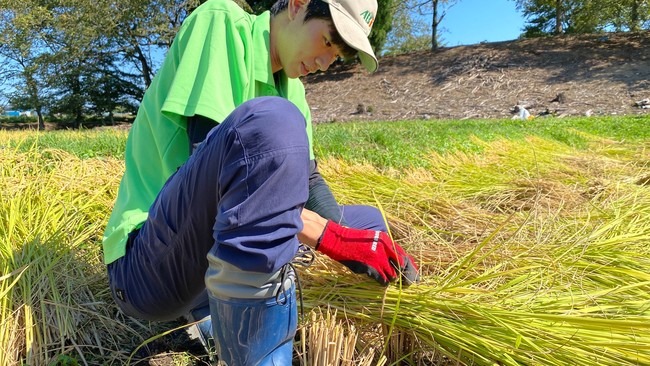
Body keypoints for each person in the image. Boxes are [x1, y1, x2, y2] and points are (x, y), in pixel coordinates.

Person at [103, 0, 419, 363]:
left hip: (202, 262)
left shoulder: (292, 88)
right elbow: (233, 183)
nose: (324, 63)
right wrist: (331, 238)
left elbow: (311, 186)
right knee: (273, 122)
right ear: (299, 5)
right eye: (328, 42)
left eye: (338, 56)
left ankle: (216, 311)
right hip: (149, 266)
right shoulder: (221, 23)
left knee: (368, 223)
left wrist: (355, 238)